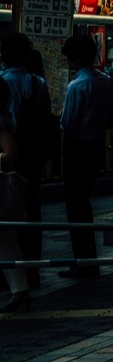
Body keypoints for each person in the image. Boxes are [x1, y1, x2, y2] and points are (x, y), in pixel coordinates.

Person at [58, 33, 113, 279]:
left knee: (75, 206)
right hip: (96, 145)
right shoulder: (105, 81)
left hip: (76, 148)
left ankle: (83, 261)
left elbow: (68, 123)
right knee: (84, 203)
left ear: (76, 57)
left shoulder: (77, 86)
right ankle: (88, 259)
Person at [1, 31, 51, 287]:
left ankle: (11, 272)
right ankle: (33, 267)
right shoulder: (38, 82)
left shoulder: (3, 82)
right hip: (33, 155)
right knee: (32, 209)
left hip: (10, 153)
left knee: (7, 213)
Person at [0, 79, 32, 312]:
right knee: (6, 241)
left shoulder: (1, 123)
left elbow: (10, 155)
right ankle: (19, 291)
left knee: (7, 240)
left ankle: (20, 291)